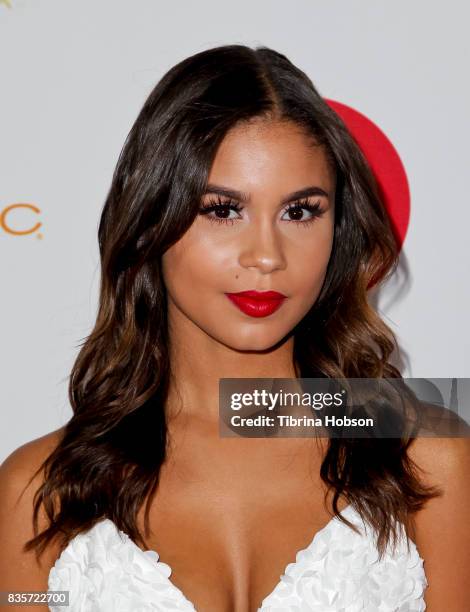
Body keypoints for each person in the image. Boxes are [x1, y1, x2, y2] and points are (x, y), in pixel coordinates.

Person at [0, 44, 469, 612]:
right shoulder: (39, 492)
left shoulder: (426, 459)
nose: (266, 256)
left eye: (300, 212)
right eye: (223, 209)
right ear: (153, 221)